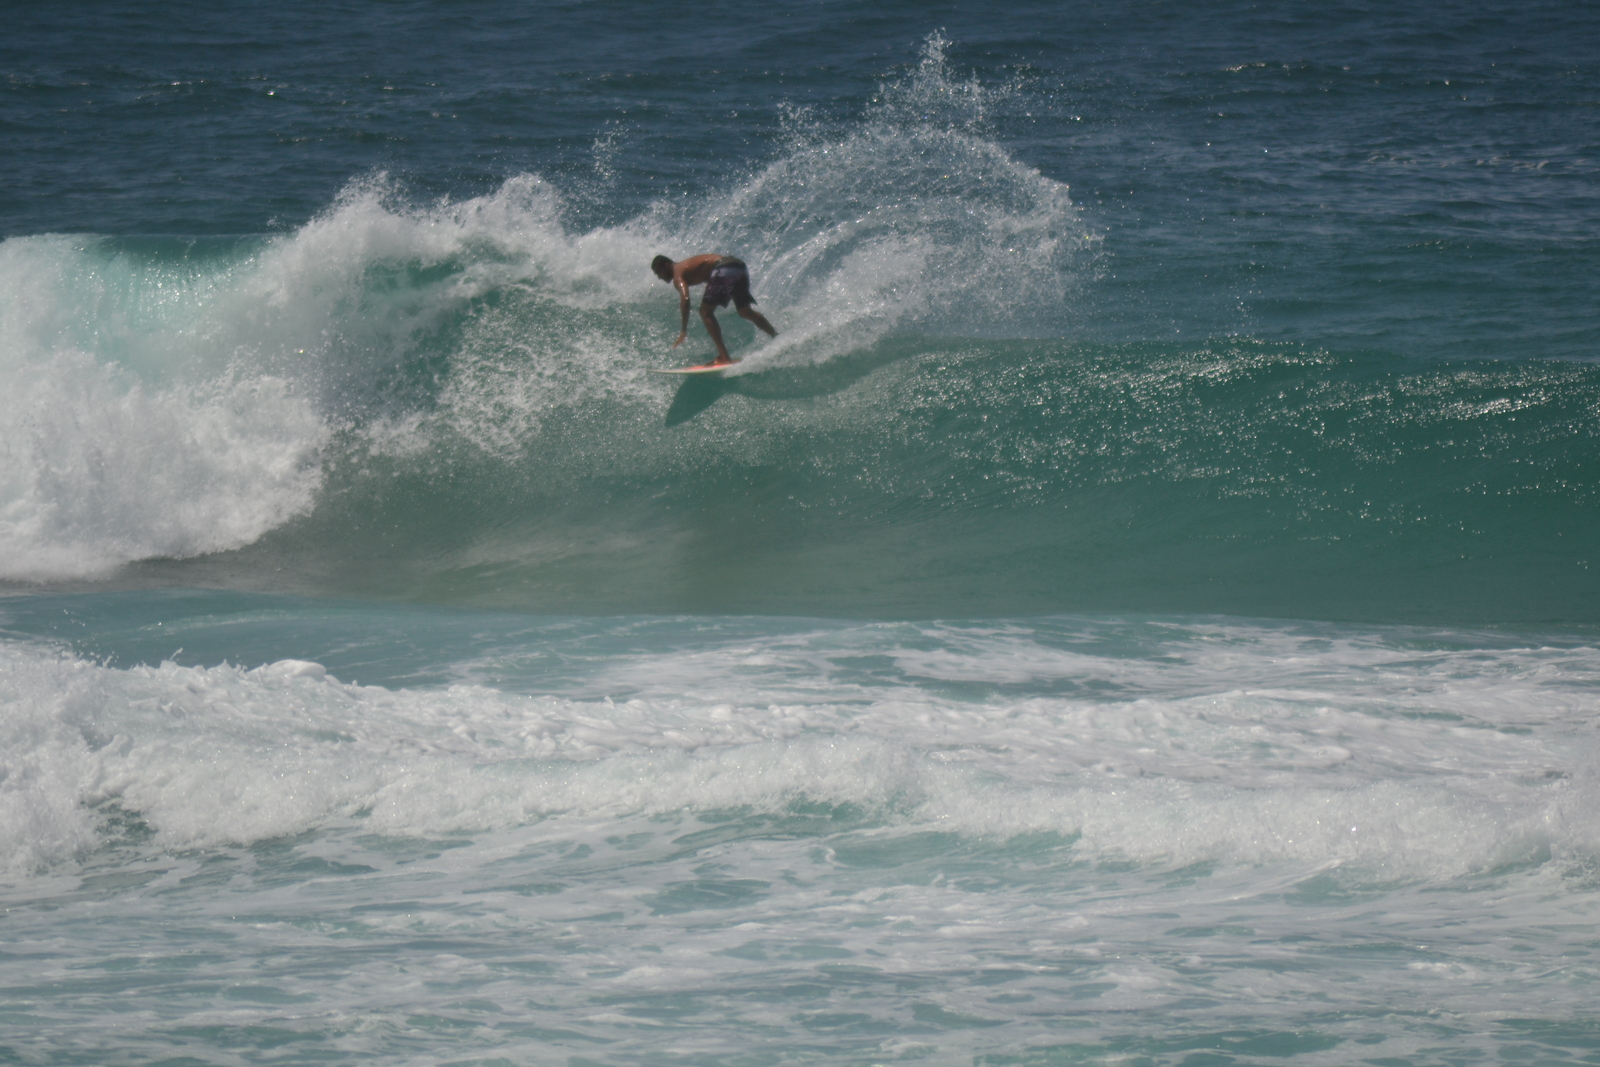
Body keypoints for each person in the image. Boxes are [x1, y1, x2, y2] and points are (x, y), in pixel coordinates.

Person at [651, 253, 777, 365]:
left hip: (723, 268)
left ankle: (724, 356)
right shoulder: (686, 266)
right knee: (745, 312)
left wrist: (683, 330)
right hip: (737, 266)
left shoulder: (678, 275)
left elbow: (686, 298)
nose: (659, 277)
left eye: (658, 272)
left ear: (666, 265)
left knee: (705, 312)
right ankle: (776, 337)